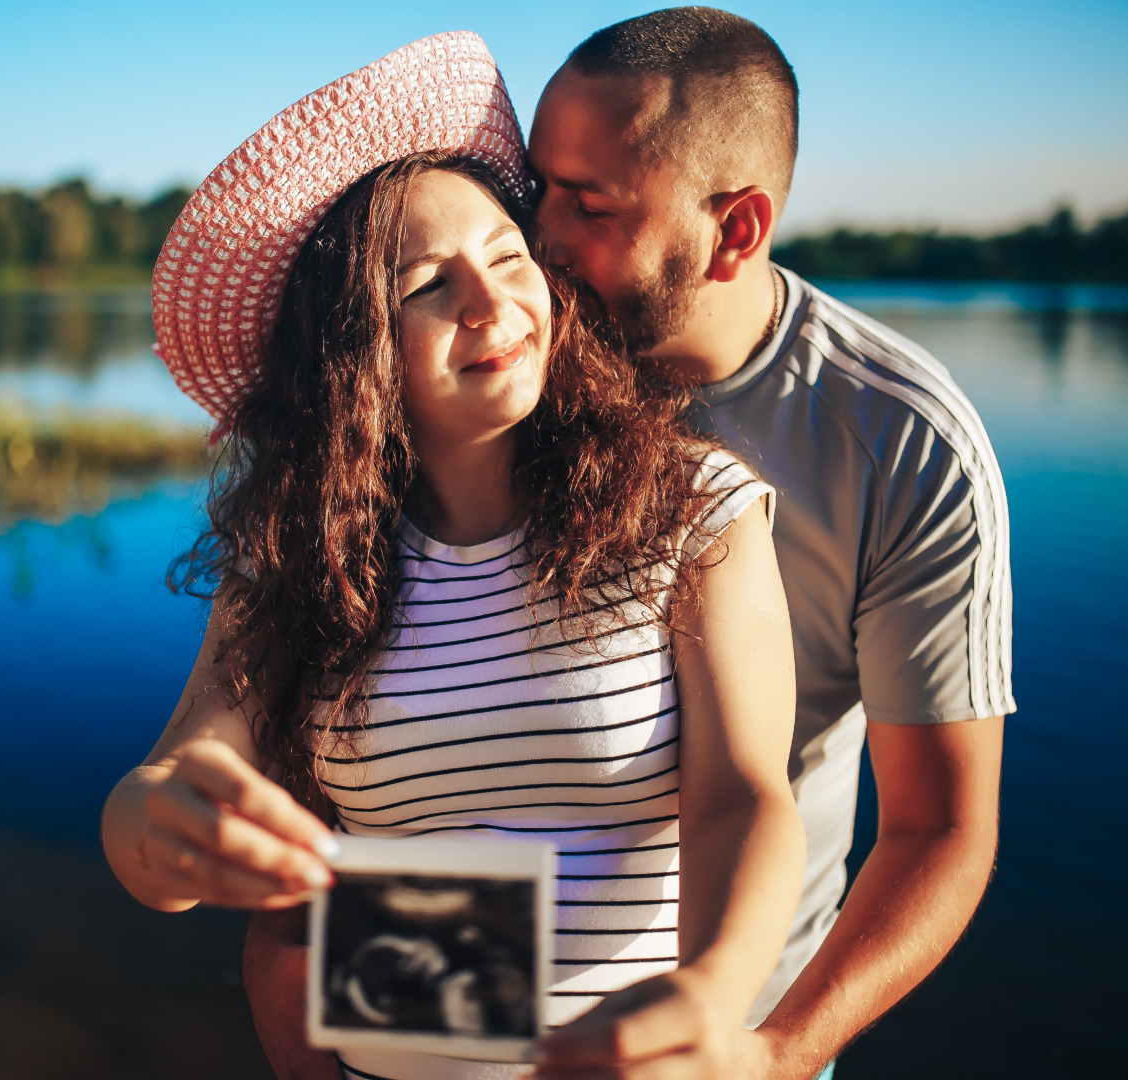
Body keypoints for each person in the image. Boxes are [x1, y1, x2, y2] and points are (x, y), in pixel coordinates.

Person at [248, 9, 1014, 1080]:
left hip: (723, 1015)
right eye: (535, 191)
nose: (541, 235)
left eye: (587, 203)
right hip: (449, 965)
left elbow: (936, 829)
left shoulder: (897, 443)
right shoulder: (506, 358)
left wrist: (780, 1048)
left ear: (734, 231)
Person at [100, 32, 805, 1080]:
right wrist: (162, 822)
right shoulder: (296, 559)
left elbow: (742, 798)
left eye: (511, 257)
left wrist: (712, 993)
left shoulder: (692, 509)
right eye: (431, 282)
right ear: (355, 350)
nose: (491, 302)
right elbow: (163, 794)